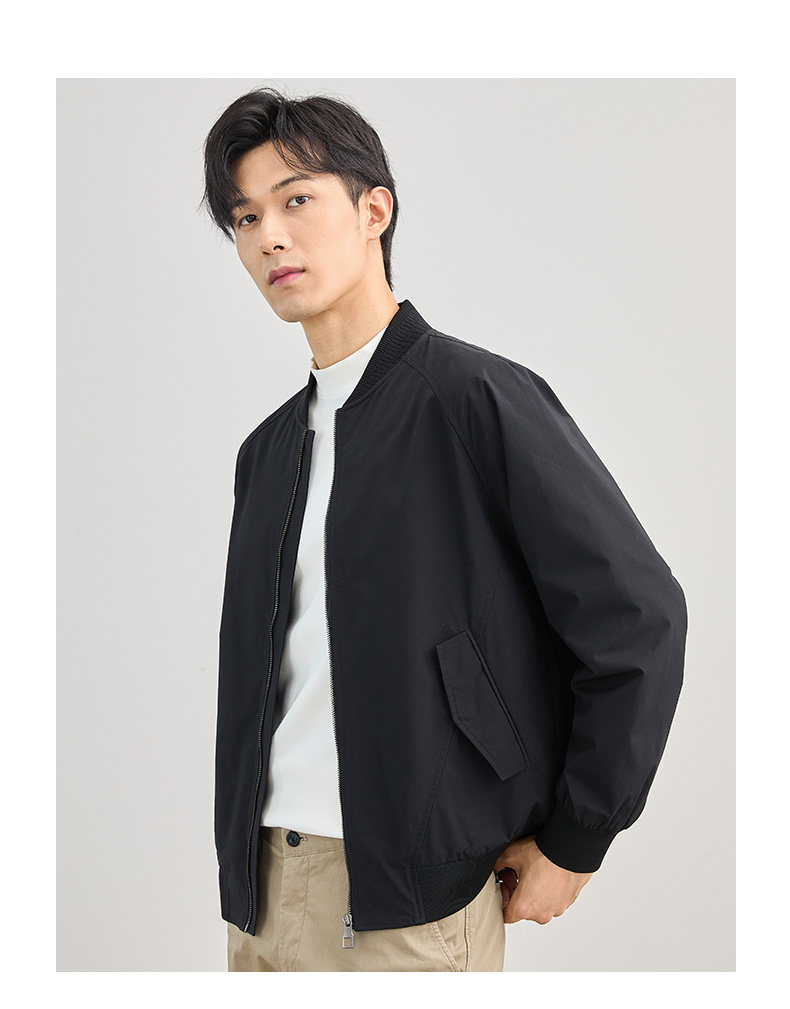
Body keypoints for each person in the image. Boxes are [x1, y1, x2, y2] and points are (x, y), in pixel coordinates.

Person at [200, 87, 688, 972]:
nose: (268, 235)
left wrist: (577, 837)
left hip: (412, 905)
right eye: (245, 216)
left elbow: (639, 617)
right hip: (262, 891)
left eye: (296, 199)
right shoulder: (266, 454)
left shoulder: (475, 400)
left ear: (374, 210)